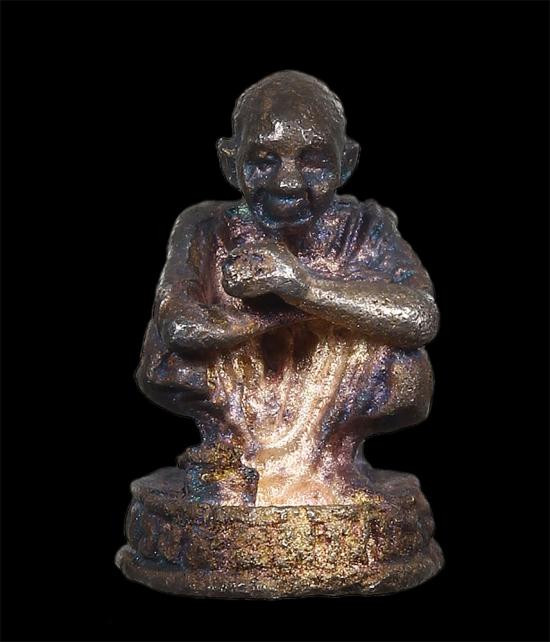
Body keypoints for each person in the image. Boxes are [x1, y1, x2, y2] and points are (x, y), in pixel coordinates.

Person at [136, 71, 439, 506]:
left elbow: (420, 317)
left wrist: (304, 287)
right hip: (235, 392)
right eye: (264, 160)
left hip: (337, 399)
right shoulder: (204, 226)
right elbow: (180, 327)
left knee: (404, 362)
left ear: (347, 162)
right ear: (229, 162)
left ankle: (333, 467)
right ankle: (230, 454)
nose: (288, 182)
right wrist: (283, 309)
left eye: (314, 160)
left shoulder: (366, 227)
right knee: (168, 355)